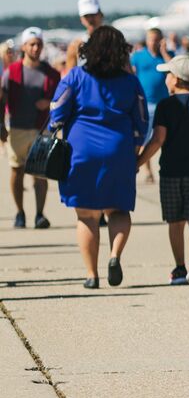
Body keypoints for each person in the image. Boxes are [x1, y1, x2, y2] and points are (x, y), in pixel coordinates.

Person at [46, 25, 148, 289]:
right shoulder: (130, 82)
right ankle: (115, 255)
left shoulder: (75, 77)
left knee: (87, 216)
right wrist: (135, 149)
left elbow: (56, 110)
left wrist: (54, 129)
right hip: (119, 150)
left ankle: (92, 274)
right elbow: (142, 120)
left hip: (81, 152)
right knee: (119, 209)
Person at [136, 55, 189, 286]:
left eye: (168, 75)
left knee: (175, 220)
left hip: (172, 171)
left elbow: (157, 140)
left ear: (176, 79)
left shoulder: (165, 106)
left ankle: (179, 268)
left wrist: (139, 162)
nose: (165, 79)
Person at [1, 28, 59, 229]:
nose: (36, 48)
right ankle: (20, 212)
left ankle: (40, 214)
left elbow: (62, 100)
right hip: (17, 127)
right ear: (24, 46)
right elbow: (3, 99)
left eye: (39, 44)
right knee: (17, 171)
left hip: (41, 130)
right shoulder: (12, 73)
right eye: (32, 44)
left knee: (40, 174)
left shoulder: (51, 74)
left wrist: (49, 102)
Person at [130, 26, 171, 184]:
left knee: (163, 138)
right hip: (145, 104)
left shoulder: (167, 56)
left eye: (156, 40)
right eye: (151, 40)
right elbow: (131, 73)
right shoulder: (138, 57)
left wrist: (165, 53)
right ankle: (147, 170)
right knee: (145, 139)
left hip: (165, 104)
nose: (153, 43)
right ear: (146, 40)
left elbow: (174, 69)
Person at [64, 0, 104, 73]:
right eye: (86, 16)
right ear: (81, 19)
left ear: (101, 15)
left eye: (93, 15)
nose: (90, 19)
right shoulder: (75, 46)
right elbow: (70, 78)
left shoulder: (114, 42)